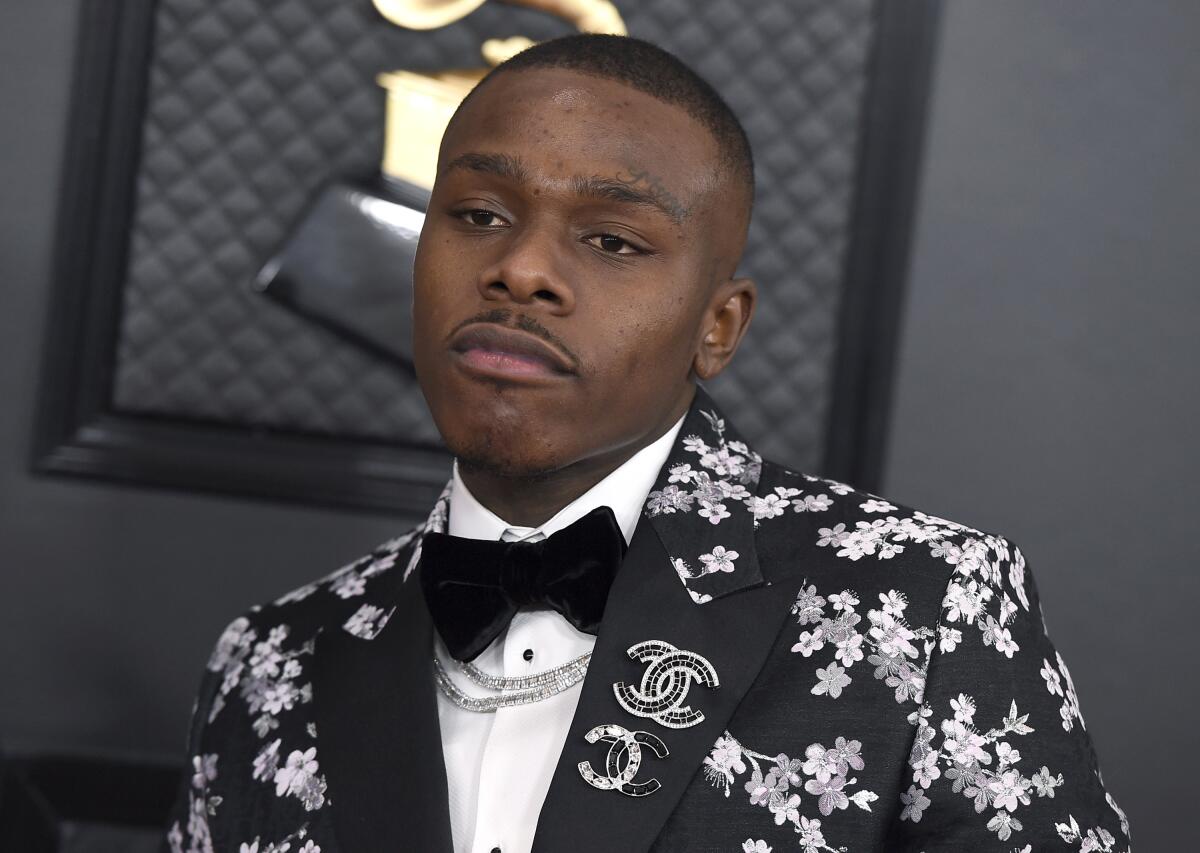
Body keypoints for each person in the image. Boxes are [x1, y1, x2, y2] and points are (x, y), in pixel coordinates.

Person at [163, 34, 1129, 853]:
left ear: (719, 326)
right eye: (478, 215)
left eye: (613, 240)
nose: (521, 269)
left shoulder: (927, 603)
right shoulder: (268, 659)